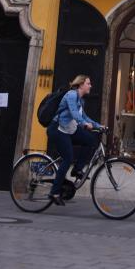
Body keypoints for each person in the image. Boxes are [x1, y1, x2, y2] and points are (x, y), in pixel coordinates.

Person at [48, 75, 104, 204]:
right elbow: (74, 114)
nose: (90, 86)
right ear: (81, 84)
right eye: (88, 83)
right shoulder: (72, 95)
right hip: (58, 129)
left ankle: (77, 169)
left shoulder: (80, 100)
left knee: (90, 141)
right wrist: (84, 124)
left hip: (69, 129)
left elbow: (84, 116)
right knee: (68, 158)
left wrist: (98, 126)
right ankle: (54, 192)